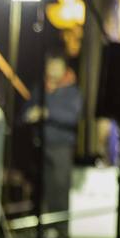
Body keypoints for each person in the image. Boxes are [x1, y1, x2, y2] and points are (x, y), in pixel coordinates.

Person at [26, 54, 83, 221]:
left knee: (59, 189)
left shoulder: (72, 91)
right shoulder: (40, 89)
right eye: (50, 65)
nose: (52, 70)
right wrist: (29, 115)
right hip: (40, 147)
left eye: (56, 66)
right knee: (43, 190)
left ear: (64, 68)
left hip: (61, 148)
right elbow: (24, 112)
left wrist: (48, 114)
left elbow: (72, 117)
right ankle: (45, 227)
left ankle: (60, 230)